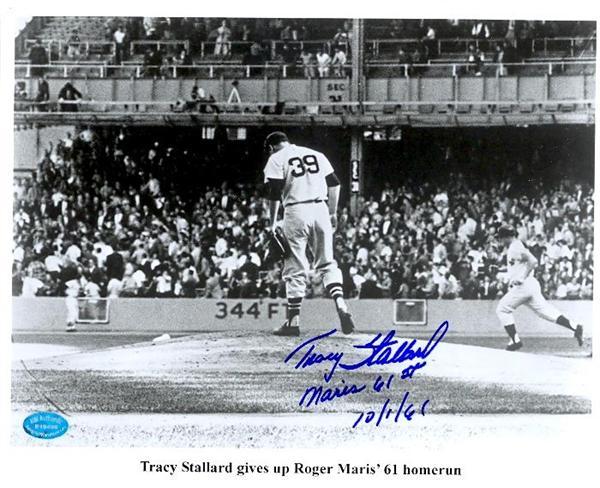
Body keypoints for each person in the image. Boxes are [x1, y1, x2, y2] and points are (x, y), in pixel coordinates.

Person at [262, 131, 355, 336]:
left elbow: (274, 192)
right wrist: (332, 212)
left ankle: (293, 322)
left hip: (296, 210)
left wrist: (271, 224)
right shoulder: (315, 154)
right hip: (320, 208)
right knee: (327, 263)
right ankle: (341, 304)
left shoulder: (276, 158)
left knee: (295, 266)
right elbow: (335, 183)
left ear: (271, 147)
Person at [495, 225, 583, 351]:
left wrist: (522, 277)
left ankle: (515, 340)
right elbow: (518, 265)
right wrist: (500, 270)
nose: (500, 241)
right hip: (530, 285)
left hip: (523, 286)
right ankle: (575, 326)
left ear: (506, 237)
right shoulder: (516, 245)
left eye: (501, 238)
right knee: (546, 312)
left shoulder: (515, 247)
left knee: (502, 309)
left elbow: (533, 261)